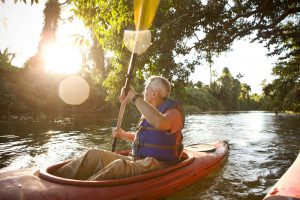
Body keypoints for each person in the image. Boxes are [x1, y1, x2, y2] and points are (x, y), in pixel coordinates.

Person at [53, 76, 184, 180]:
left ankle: (78, 192)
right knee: (93, 154)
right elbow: (143, 138)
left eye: (146, 89)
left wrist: (134, 96)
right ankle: (54, 180)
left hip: (157, 164)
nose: (143, 92)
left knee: (118, 167)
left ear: (154, 94)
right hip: (136, 160)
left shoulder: (173, 112)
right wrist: (123, 134)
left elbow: (162, 124)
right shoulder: (147, 113)